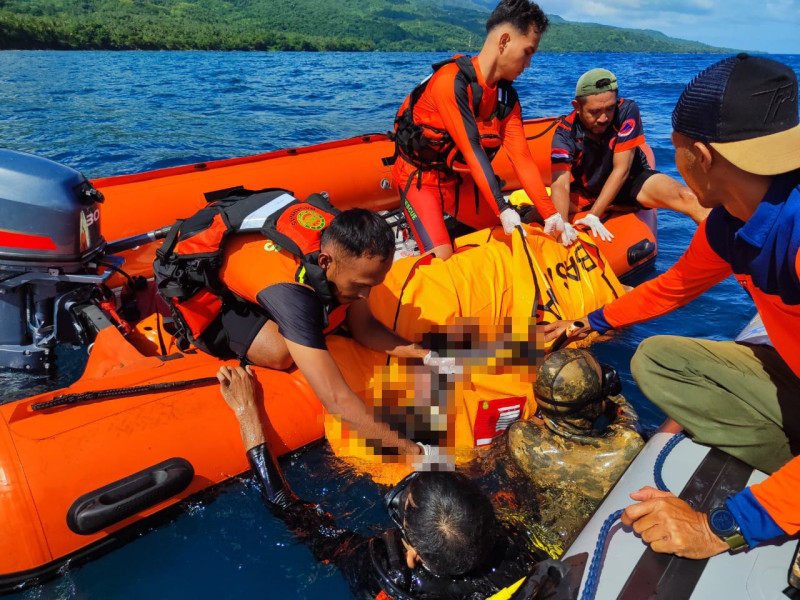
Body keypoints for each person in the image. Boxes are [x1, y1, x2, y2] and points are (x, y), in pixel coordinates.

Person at [547, 55, 800, 559]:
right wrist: (587, 322)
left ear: (700, 157)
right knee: (656, 360)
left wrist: (721, 526)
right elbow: (674, 287)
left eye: (677, 150)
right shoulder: (732, 223)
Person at [216, 365, 572, 600]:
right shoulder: (523, 547)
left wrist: (246, 412)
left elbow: (287, 508)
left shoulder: (387, 574)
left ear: (413, 555)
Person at [155, 194, 452, 462]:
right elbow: (336, 400)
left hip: (265, 271)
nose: (366, 295)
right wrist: (417, 452)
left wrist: (426, 355)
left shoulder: (350, 256)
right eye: (360, 286)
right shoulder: (289, 294)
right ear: (325, 262)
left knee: (339, 313)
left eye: (373, 284)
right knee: (281, 352)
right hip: (210, 298)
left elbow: (364, 327)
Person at [390, 0, 563, 259]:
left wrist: (552, 215)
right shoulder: (450, 82)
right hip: (419, 181)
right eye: (528, 52)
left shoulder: (506, 99)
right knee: (442, 260)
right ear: (504, 41)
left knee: (513, 236)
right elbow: (472, 149)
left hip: (459, 181)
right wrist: (502, 208)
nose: (528, 64)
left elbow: (522, 160)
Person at [548, 68, 709, 245]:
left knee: (689, 198)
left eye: (609, 108)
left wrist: (594, 215)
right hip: (587, 191)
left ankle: (728, 257)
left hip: (633, 181)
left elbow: (622, 169)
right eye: (594, 112)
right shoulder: (564, 134)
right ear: (577, 107)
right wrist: (562, 225)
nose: (603, 118)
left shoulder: (627, 110)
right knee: (544, 214)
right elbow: (561, 184)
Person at [507, 349, 643, 543]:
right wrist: (608, 390)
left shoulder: (520, 437)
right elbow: (626, 416)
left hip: (539, 536)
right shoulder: (626, 447)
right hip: (591, 537)